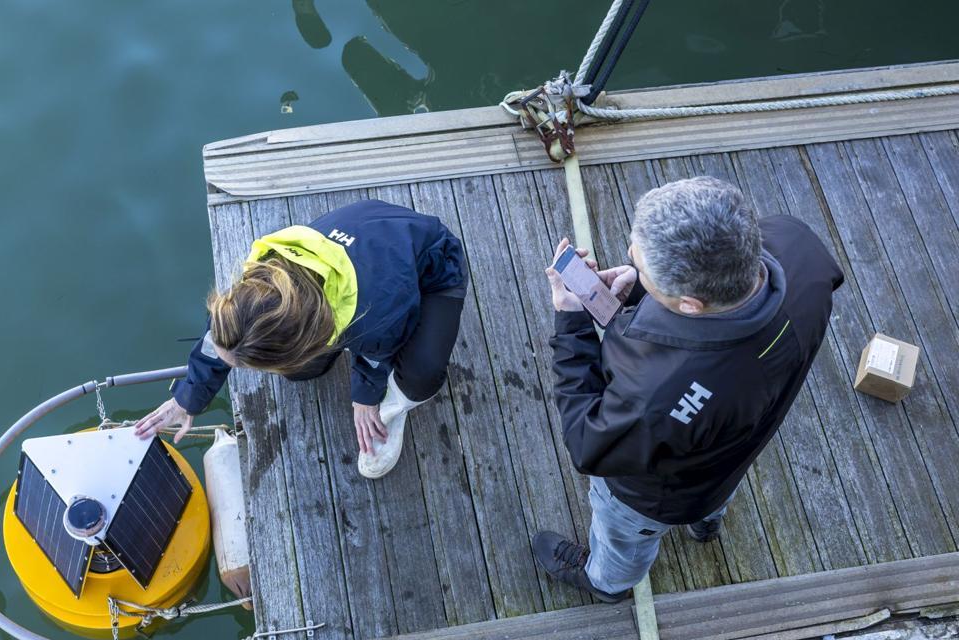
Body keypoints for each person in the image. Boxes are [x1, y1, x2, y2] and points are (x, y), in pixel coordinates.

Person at [532, 176, 844, 603]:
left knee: (626, 538)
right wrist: (644, 289)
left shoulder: (656, 395)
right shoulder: (798, 246)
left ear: (689, 305)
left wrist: (572, 322)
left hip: (656, 497)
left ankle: (608, 583)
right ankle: (708, 521)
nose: (632, 266)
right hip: (733, 454)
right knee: (718, 488)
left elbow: (589, 445)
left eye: (639, 267)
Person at [134, 199, 468, 479]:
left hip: (429, 268)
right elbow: (221, 338)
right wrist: (188, 397)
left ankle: (393, 409)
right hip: (365, 244)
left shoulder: (375, 309)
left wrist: (366, 395)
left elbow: (383, 345)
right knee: (300, 371)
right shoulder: (255, 288)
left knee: (422, 374)